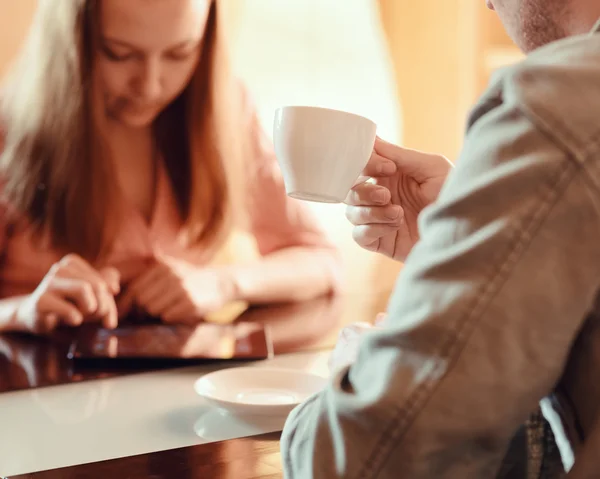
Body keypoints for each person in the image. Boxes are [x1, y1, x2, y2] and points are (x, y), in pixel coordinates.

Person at [281, 0, 600, 477]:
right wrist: (492, 236)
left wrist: (361, 368)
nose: (488, 4)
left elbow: (363, 461)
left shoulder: (560, 102)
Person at [0, 0, 340, 335]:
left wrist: (224, 283)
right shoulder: (9, 130)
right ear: (69, 39)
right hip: (35, 383)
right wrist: (20, 310)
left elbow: (321, 260)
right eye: (119, 53)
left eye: (180, 53)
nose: (150, 86)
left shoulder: (226, 114)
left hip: (180, 384)